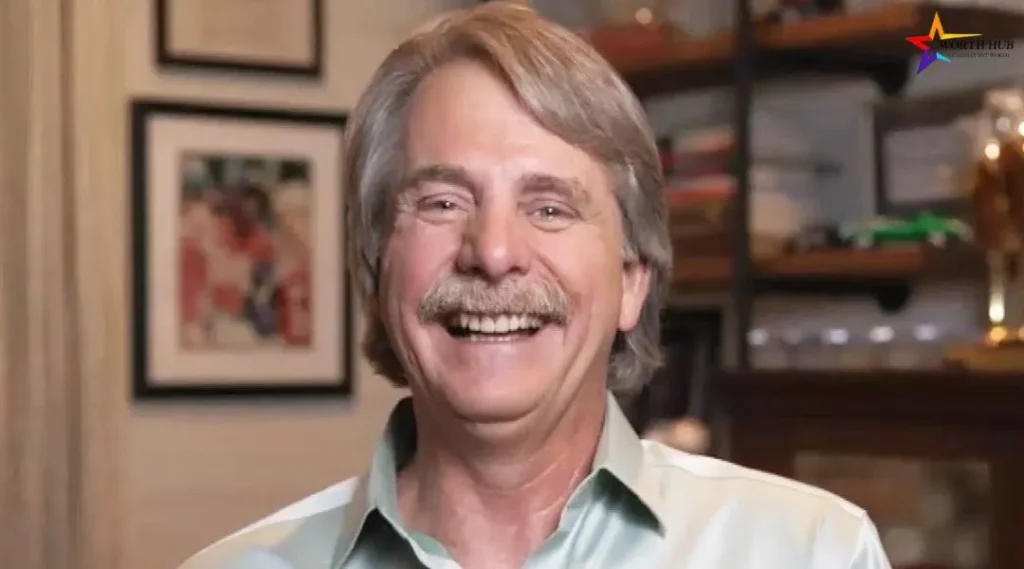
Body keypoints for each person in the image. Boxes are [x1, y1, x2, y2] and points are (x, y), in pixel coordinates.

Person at [179, 3, 892, 568]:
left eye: (550, 208)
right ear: (376, 264)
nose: (493, 253)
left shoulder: (811, 552)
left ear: (632, 280)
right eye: (443, 202)